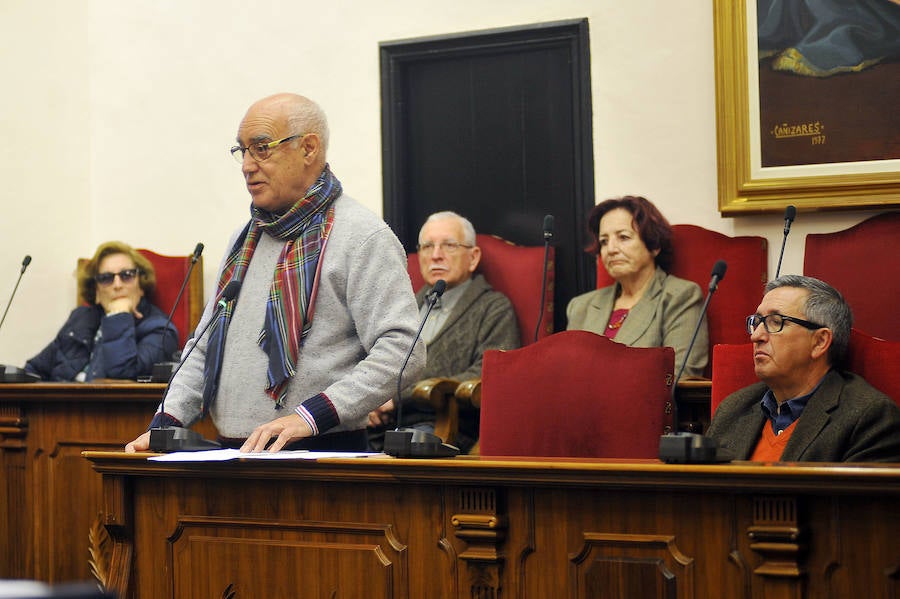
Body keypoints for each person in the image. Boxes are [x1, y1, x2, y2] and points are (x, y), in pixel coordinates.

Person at [125, 93, 424, 454]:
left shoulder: (362, 236)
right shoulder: (244, 237)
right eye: (242, 151)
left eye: (261, 148)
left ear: (309, 148)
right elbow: (203, 346)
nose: (247, 165)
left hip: (322, 455)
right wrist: (165, 422)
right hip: (228, 457)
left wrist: (311, 416)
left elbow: (403, 351)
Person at [367, 211, 520, 453]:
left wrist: (396, 400)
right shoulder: (404, 306)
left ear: (473, 257)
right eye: (427, 246)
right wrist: (371, 401)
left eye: (449, 245)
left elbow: (490, 375)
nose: (436, 255)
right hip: (382, 425)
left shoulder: (493, 308)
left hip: (445, 427)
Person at [707, 275, 900, 462]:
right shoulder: (732, 409)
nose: (756, 336)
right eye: (756, 322)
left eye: (775, 322)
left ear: (819, 342)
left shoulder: (869, 418)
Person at [566, 196, 708, 377]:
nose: (610, 249)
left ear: (654, 244)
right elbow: (566, 375)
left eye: (623, 237)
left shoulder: (681, 297)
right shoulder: (580, 306)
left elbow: (680, 375)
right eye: (603, 241)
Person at [25, 241, 178, 381]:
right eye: (106, 278)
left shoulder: (161, 330)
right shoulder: (80, 318)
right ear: (96, 291)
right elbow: (34, 371)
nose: (117, 285)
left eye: (127, 275)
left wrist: (118, 316)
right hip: (60, 408)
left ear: (141, 286)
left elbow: (123, 374)